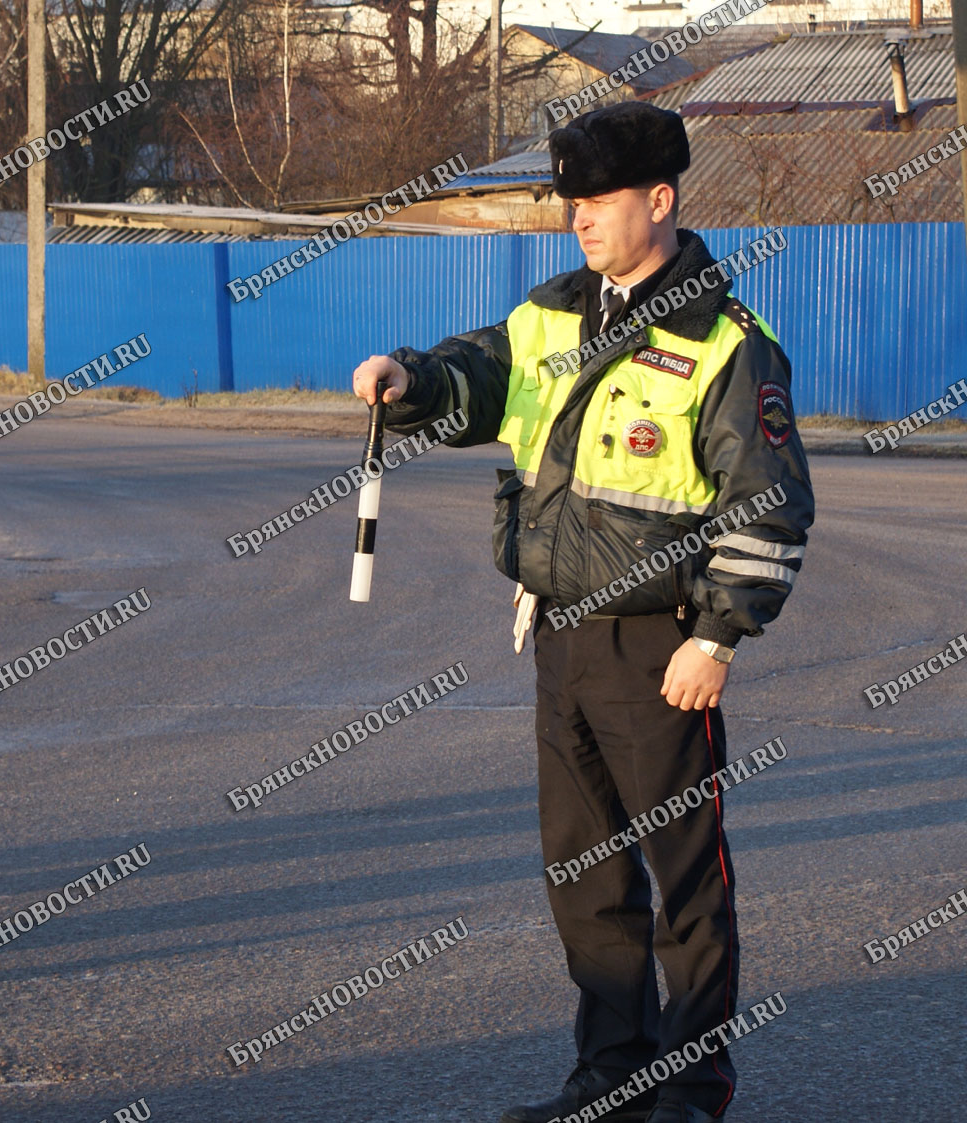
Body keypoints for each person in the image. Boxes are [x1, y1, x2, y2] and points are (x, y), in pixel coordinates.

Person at [352, 101, 814, 1123]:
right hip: (557, 631)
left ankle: (691, 1088)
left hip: (661, 650)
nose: (580, 217)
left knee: (684, 883)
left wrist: (715, 636)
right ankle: (610, 1075)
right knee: (585, 876)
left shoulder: (726, 342)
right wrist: (412, 378)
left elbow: (772, 502)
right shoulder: (553, 311)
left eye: (598, 199)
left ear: (659, 198)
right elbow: (483, 374)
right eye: (571, 201)